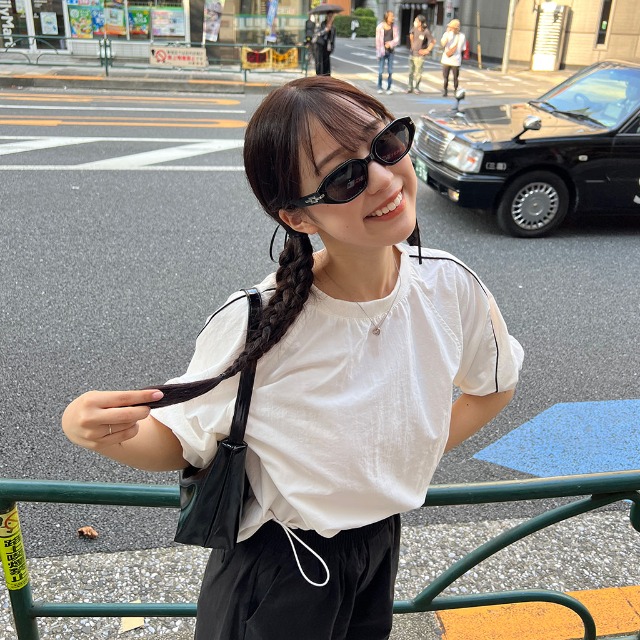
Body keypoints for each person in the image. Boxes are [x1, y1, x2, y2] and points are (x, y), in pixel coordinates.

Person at [61, 76, 524, 640]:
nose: (383, 179)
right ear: (299, 218)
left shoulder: (449, 285)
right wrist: (101, 433)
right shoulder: (257, 320)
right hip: (280, 567)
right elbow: (180, 440)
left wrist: (401, 453)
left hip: (380, 544)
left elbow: (493, 385)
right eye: (345, 177)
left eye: (385, 145)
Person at [406, 14, 435, 94]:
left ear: (420, 22)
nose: (415, 22)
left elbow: (433, 41)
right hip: (412, 53)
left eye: (416, 21)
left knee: (418, 73)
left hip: (419, 55)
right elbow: (411, 35)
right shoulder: (414, 29)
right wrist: (412, 45)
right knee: (410, 72)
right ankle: (409, 87)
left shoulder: (426, 31)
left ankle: (416, 87)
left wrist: (427, 50)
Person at [440, 18, 465, 97]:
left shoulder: (462, 36)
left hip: (456, 60)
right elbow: (443, 44)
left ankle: (455, 90)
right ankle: (445, 90)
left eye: (451, 27)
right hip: (446, 59)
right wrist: (447, 35)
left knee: (455, 77)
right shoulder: (447, 34)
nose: (450, 28)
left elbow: (462, 49)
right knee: (446, 77)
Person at [376, 11, 399, 94]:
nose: (393, 18)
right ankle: (379, 87)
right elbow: (377, 41)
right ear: (386, 17)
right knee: (380, 71)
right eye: (391, 16)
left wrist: (390, 44)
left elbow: (397, 39)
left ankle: (389, 88)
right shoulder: (380, 27)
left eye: (393, 16)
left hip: (391, 51)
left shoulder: (394, 27)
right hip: (382, 51)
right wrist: (377, 53)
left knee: (390, 71)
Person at [314, 11, 336, 76]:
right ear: (327, 16)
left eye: (331, 16)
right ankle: (320, 75)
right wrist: (326, 30)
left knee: (327, 62)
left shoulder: (333, 26)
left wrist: (332, 47)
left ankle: (326, 76)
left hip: (327, 46)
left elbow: (333, 38)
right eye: (329, 16)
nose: (330, 18)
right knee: (320, 61)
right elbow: (319, 33)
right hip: (320, 45)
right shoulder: (322, 24)